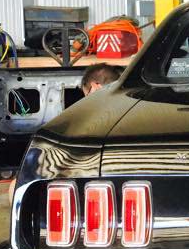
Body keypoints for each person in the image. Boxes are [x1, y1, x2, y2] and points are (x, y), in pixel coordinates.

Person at [8, 63, 121, 204]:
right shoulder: (133, 112)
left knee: (15, 187)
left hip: (91, 188)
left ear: (95, 87)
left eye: (86, 94)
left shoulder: (84, 120)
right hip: (124, 184)